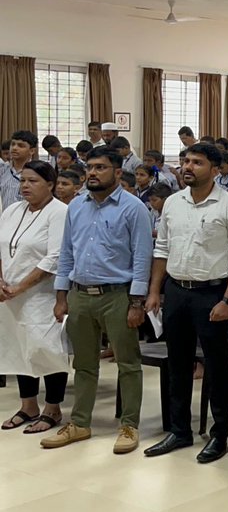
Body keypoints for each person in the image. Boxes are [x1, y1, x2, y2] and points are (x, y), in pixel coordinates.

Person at [144, 143, 228, 464]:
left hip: (213, 294)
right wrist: (155, 291)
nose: (188, 167)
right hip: (177, 291)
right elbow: (162, 249)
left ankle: (219, 434)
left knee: (217, 367)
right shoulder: (173, 203)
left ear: (216, 169)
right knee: (177, 363)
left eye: (197, 162)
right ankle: (180, 430)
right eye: (186, 161)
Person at [42, 148, 152, 453]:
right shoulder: (77, 206)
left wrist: (137, 303)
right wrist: (61, 295)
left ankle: (129, 425)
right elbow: (67, 253)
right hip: (80, 294)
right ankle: (79, 423)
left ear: (117, 172)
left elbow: (142, 257)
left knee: (128, 363)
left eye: (100, 167)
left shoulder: (133, 208)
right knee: (83, 364)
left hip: (117, 295)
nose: (92, 172)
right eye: (90, 167)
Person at [0, 161, 69, 434]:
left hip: (43, 294)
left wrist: (20, 287)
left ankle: (53, 408)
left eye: (33, 181)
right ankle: (28, 405)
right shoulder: (12, 210)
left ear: (50, 184)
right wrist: (2, 282)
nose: (25, 186)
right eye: (23, 180)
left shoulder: (59, 212)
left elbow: (55, 257)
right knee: (19, 347)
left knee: (47, 349)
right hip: (9, 294)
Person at [1, 130, 36, 207]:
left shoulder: (37, 172)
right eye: (13, 144)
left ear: (32, 151)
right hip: (5, 213)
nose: (14, 148)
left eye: (20, 146)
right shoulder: (2, 169)